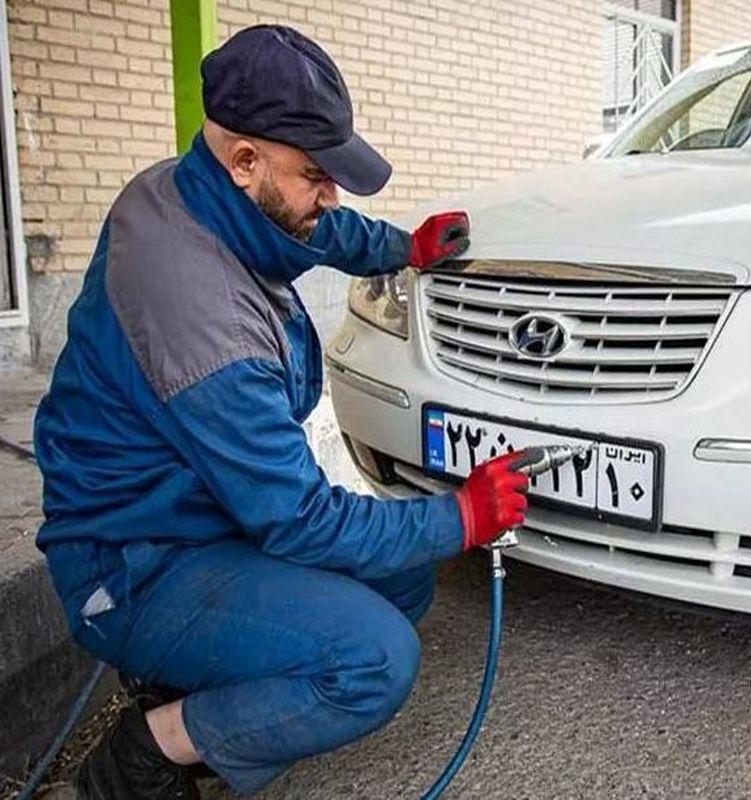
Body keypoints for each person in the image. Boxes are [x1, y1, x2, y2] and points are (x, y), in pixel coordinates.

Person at [32, 24, 528, 799]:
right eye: (316, 175)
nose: (330, 195)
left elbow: (314, 227)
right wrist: (462, 517)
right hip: (134, 563)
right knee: (375, 660)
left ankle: (199, 685)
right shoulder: (204, 323)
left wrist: (404, 248)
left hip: (203, 514)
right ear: (244, 161)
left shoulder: (188, 190)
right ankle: (150, 750)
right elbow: (299, 520)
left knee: (404, 580)